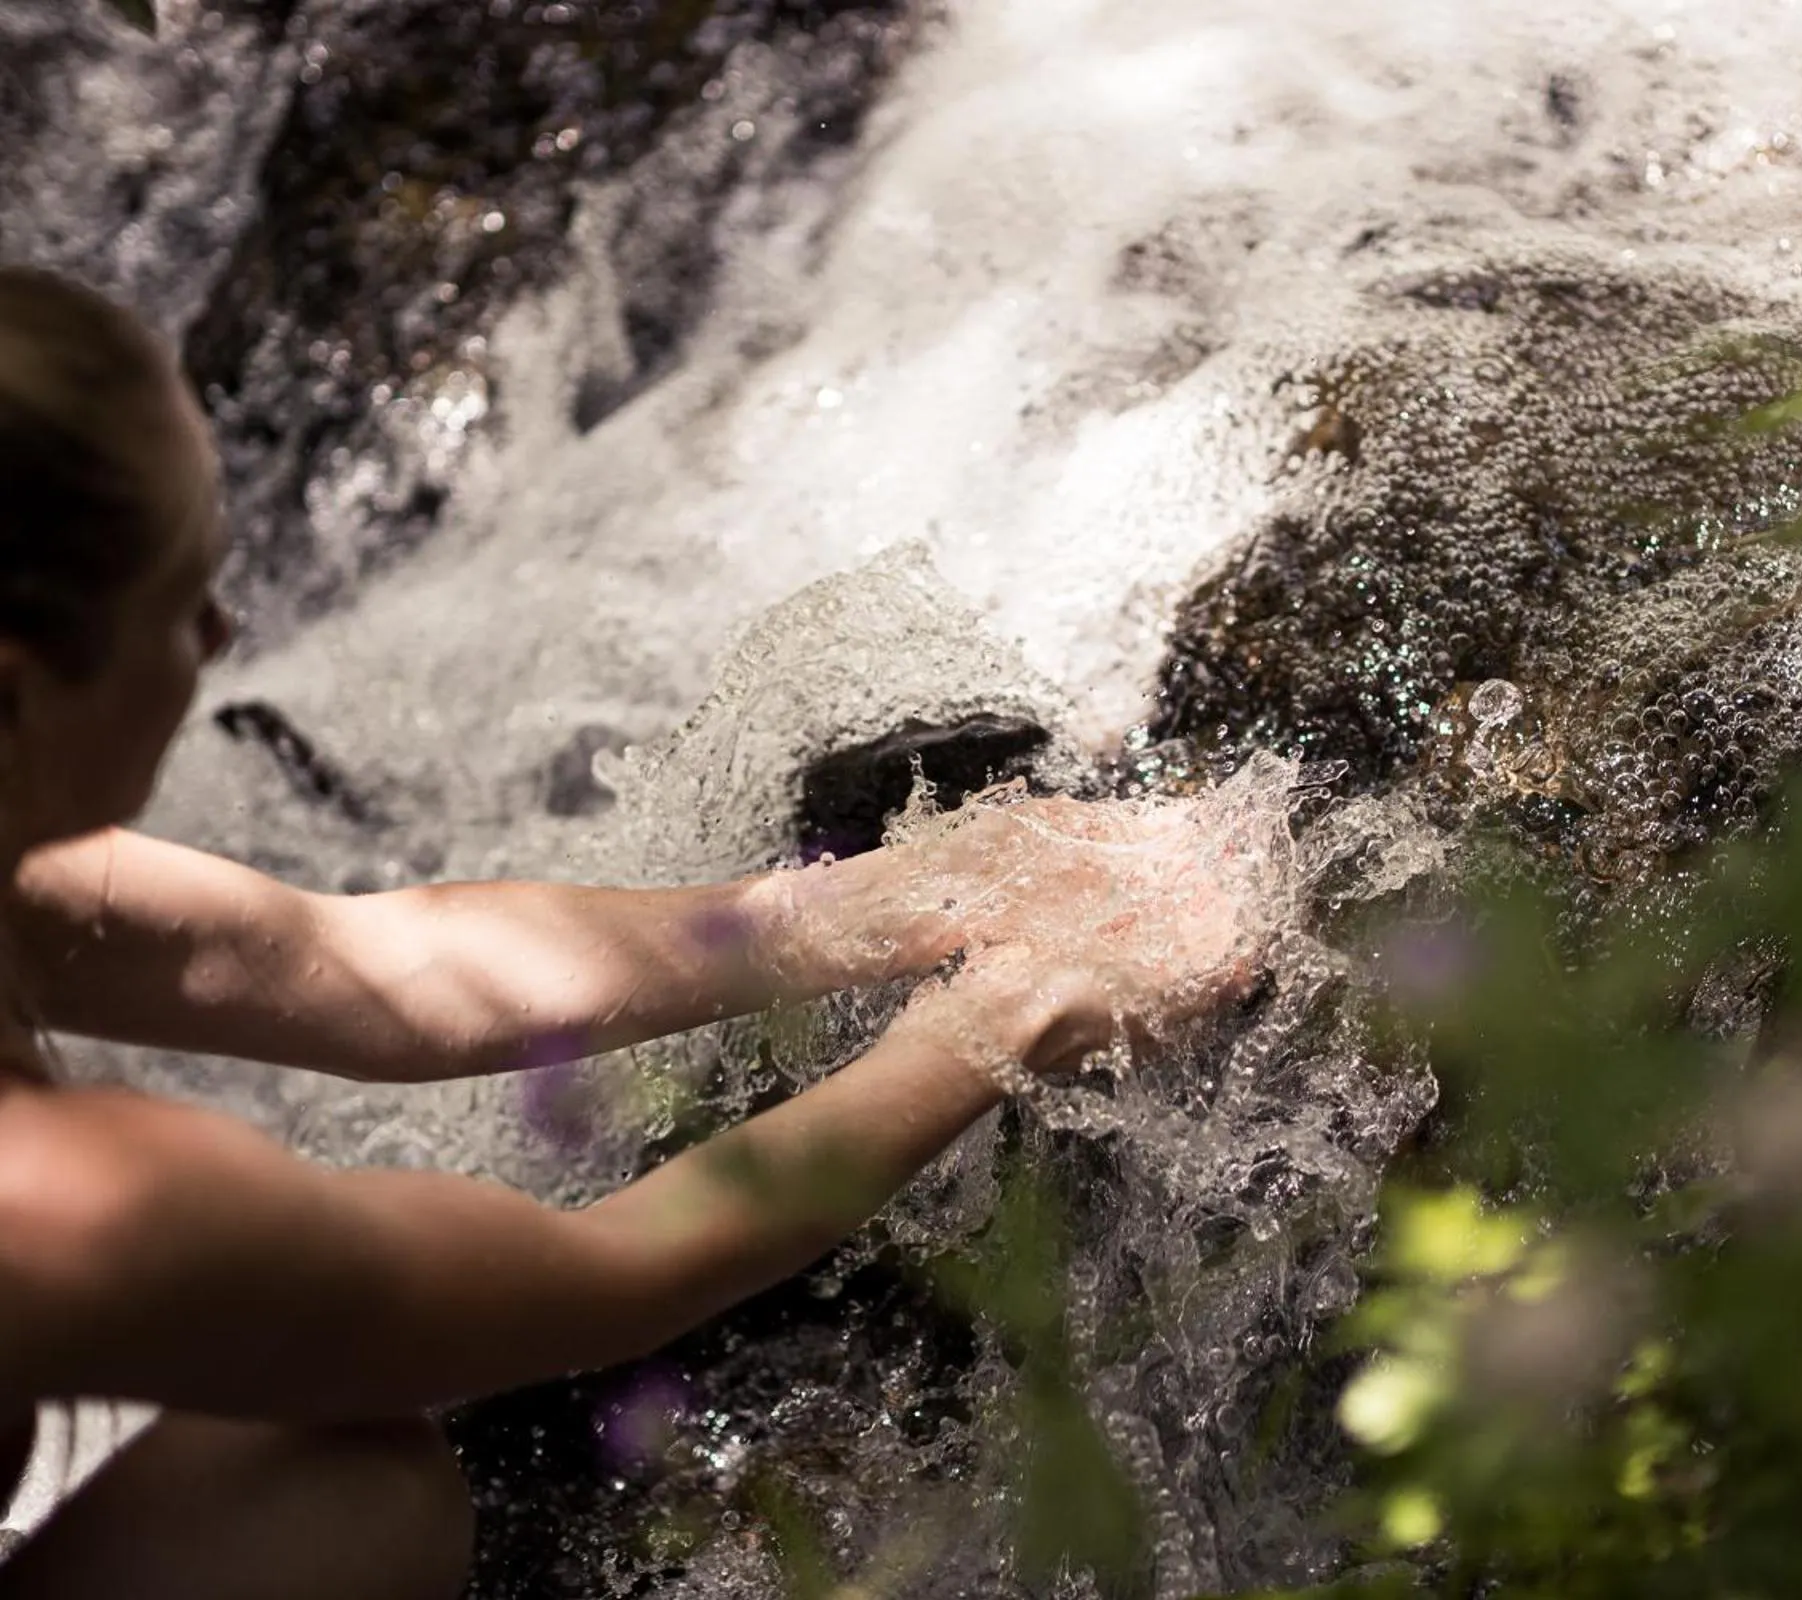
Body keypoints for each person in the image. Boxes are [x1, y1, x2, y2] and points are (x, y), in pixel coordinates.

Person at [0, 265, 1260, 1599]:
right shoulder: (75, 1204)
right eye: (185, 603)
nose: (226, 634)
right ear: (17, 695)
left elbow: (364, 969)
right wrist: (998, 1025)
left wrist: (878, 902)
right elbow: (611, 1271)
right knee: (353, 1495)